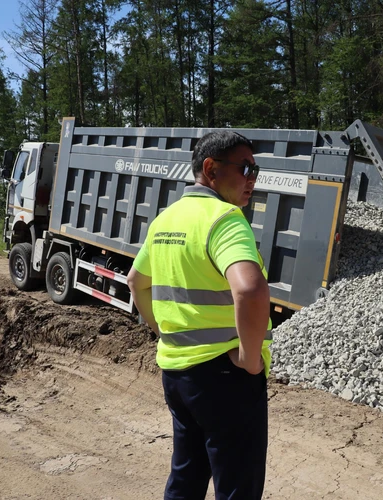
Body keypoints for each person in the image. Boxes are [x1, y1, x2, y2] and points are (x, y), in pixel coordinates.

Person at [127, 130, 272, 500]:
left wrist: (162, 332)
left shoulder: (166, 219)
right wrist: (250, 359)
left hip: (177, 375)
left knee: (187, 476)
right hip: (226, 378)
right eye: (245, 169)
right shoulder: (225, 218)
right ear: (211, 168)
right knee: (237, 485)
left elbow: (136, 281)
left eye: (256, 170)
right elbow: (250, 289)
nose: (252, 179)